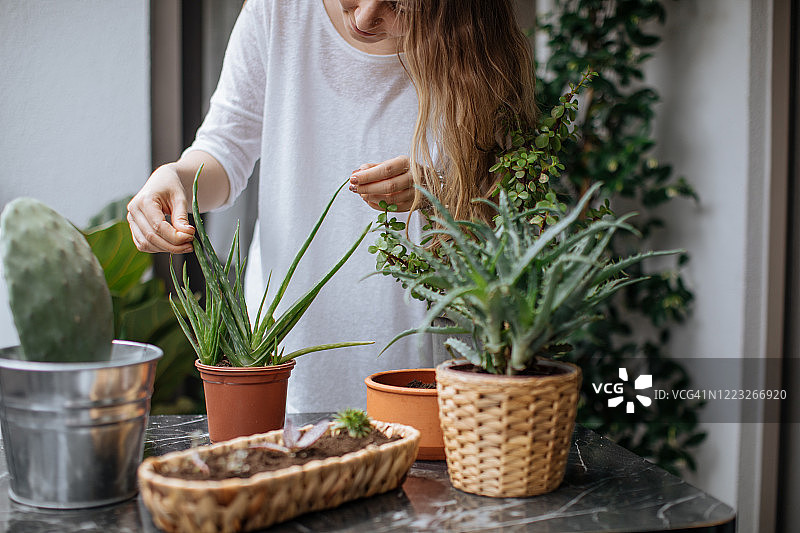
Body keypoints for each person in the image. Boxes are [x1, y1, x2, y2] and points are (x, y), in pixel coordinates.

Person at [127, 0, 536, 412]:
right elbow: (224, 149)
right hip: (283, 365)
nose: (364, 17)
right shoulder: (279, 11)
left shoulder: (478, 45)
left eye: (399, 6)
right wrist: (175, 179)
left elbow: (508, 217)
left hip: (428, 377)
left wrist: (442, 192)